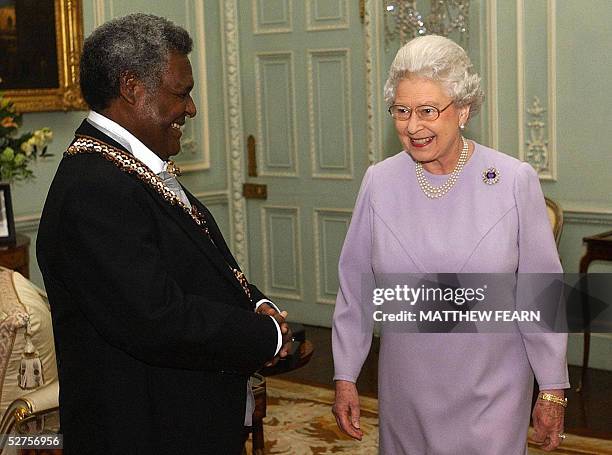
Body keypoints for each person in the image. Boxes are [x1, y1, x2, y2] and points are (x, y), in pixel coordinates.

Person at [36, 14, 291, 455]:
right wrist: (264, 335)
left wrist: (255, 301)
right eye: (181, 92)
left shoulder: (129, 168)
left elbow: (199, 264)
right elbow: (155, 319)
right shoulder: (94, 189)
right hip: (145, 430)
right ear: (132, 87)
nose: (190, 108)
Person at [331, 35, 569, 454]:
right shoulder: (380, 182)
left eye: (427, 111)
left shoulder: (513, 180)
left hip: (492, 389)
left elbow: (541, 290)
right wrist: (345, 375)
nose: (412, 126)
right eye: (401, 111)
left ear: (463, 110)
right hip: (407, 388)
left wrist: (552, 389)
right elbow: (356, 288)